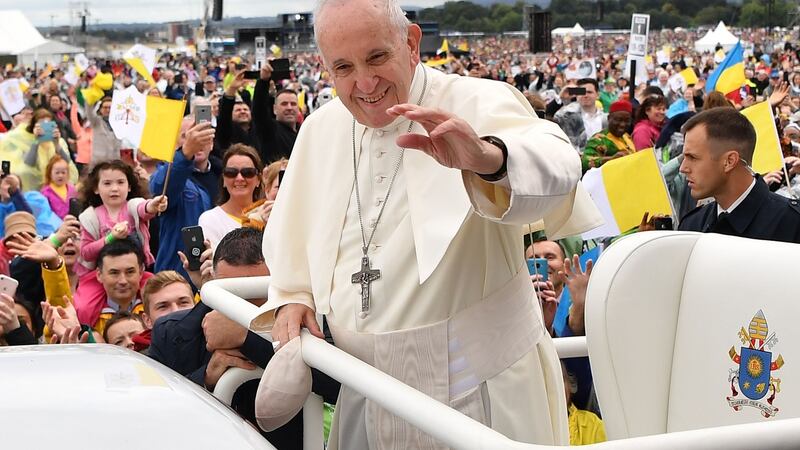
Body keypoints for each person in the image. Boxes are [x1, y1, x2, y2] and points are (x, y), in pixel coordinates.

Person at [260, 0, 585, 447]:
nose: (365, 83)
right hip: (366, 391)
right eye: (344, 67)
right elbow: (294, 244)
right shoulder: (320, 130)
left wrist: (488, 159)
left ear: (411, 43)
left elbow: (559, 162)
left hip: (484, 388)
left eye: (376, 57)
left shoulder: (475, 99)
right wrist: (294, 297)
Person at [149, 227, 340, 449]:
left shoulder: (309, 317)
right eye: (236, 295)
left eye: (260, 297)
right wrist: (206, 378)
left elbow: (342, 386)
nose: (246, 308)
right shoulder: (172, 331)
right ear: (212, 281)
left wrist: (249, 339)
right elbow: (157, 409)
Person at [678, 108, 800, 242]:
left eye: (692, 157)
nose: (683, 168)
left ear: (729, 161)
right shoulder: (692, 225)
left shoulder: (792, 224)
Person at [74, 161, 167, 326]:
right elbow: (86, 252)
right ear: (96, 188)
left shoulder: (132, 206)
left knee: (160, 295)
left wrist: (154, 205)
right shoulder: (90, 217)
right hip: (98, 274)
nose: (114, 188)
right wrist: (110, 238)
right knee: (83, 307)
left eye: (120, 182)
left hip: (136, 271)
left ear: (129, 187)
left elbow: (144, 208)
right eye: (107, 183)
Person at [149, 119, 217, 280]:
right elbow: (160, 190)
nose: (196, 141)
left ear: (212, 143)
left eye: (202, 135)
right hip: (177, 277)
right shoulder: (167, 175)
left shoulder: (227, 174)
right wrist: (186, 153)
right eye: (187, 137)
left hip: (213, 275)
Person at [198, 144, 264, 249]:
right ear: (223, 180)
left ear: (259, 179)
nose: (239, 178)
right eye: (231, 173)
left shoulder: (271, 217)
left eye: (248, 172)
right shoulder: (210, 219)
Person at [554, 78, 608, 152]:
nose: (585, 95)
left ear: (597, 95)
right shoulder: (567, 116)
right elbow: (552, 117)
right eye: (582, 92)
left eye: (589, 92)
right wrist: (561, 97)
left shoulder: (605, 118)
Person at [581, 100, 635, 172]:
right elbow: (585, 162)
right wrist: (611, 159)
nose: (622, 125)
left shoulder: (627, 137)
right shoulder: (599, 139)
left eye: (627, 121)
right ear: (609, 118)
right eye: (618, 120)